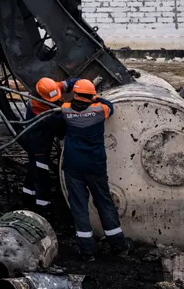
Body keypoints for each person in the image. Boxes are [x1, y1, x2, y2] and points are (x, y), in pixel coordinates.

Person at [58, 78, 128, 260]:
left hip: (73, 166)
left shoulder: (66, 110)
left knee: (79, 207)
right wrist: (97, 98)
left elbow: (63, 106)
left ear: (76, 94)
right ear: (91, 96)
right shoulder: (99, 110)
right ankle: (119, 247)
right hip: (95, 166)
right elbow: (109, 105)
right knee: (104, 203)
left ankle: (87, 252)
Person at [19, 77, 69, 214]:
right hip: (37, 146)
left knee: (33, 171)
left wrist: (76, 84)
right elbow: (57, 121)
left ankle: (27, 199)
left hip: (40, 143)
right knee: (42, 177)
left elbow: (66, 84)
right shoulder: (38, 108)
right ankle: (43, 207)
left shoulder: (51, 89)